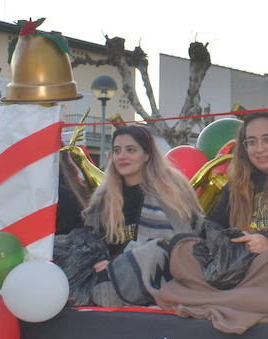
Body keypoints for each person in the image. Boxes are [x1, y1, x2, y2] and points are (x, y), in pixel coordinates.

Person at [154, 110, 268, 332]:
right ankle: (248, 299)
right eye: (251, 142)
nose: (260, 149)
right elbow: (213, 225)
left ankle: (232, 299)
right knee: (184, 248)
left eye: (267, 140)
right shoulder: (238, 182)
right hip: (243, 266)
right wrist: (228, 240)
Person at [58, 124, 202, 307]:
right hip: (105, 275)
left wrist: (116, 264)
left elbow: (173, 246)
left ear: (147, 155)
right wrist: (95, 260)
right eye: (117, 150)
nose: (122, 156)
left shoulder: (169, 192)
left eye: (131, 150)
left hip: (158, 278)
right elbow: (90, 237)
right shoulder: (105, 196)